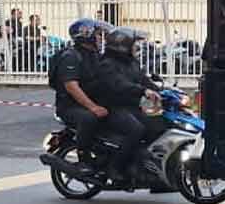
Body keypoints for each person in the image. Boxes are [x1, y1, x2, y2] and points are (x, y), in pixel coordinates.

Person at [92, 27, 161, 181]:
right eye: (134, 44)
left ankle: (148, 169)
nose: (137, 47)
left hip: (131, 107)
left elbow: (143, 79)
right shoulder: (107, 64)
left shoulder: (131, 62)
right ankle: (115, 167)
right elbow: (119, 84)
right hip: (113, 108)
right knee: (136, 130)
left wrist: (162, 90)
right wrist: (143, 91)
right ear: (122, 45)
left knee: (157, 125)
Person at [52, 19, 109, 158]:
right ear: (86, 35)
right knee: (89, 118)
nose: (101, 38)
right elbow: (71, 86)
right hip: (71, 106)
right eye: (98, 34)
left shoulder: (94, 55)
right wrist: (93, 107)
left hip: (90, 101)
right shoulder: (71, 56)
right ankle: (83, 154)